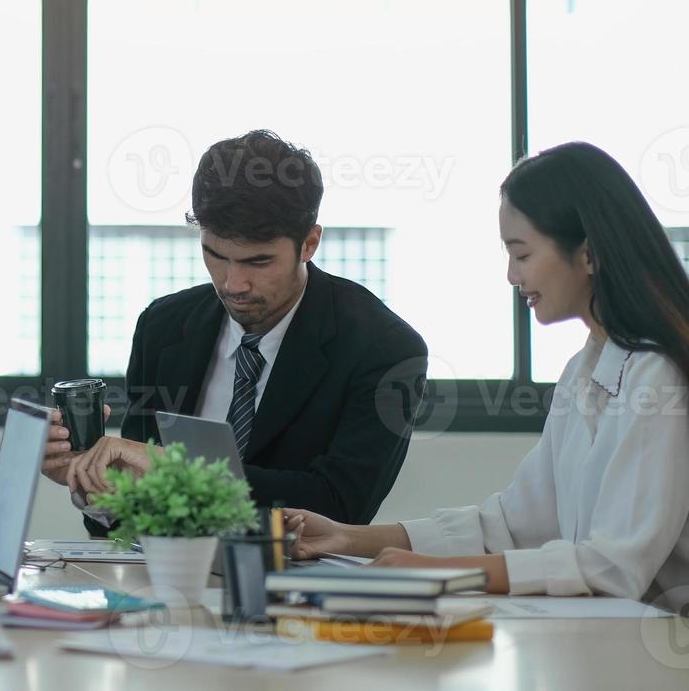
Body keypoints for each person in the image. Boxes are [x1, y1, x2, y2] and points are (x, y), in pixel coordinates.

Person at [286, 142, 689, 613]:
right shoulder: (584, 371)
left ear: (589, 255)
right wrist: (347, 538)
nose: (511, 275)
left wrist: (439, 572)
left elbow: (612, 568)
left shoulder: (658, 376)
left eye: (521, 254)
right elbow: (513, 523)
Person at [46, 130, 429, 527]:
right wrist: (93, 481)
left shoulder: (382, 347)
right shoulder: (162, 327)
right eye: (215, 255)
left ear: (309, 243)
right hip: (167, 578)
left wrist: (173, 470)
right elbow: (132, 518)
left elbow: (340, 506)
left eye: (258, 262)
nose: (232, 283)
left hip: (296, 584)